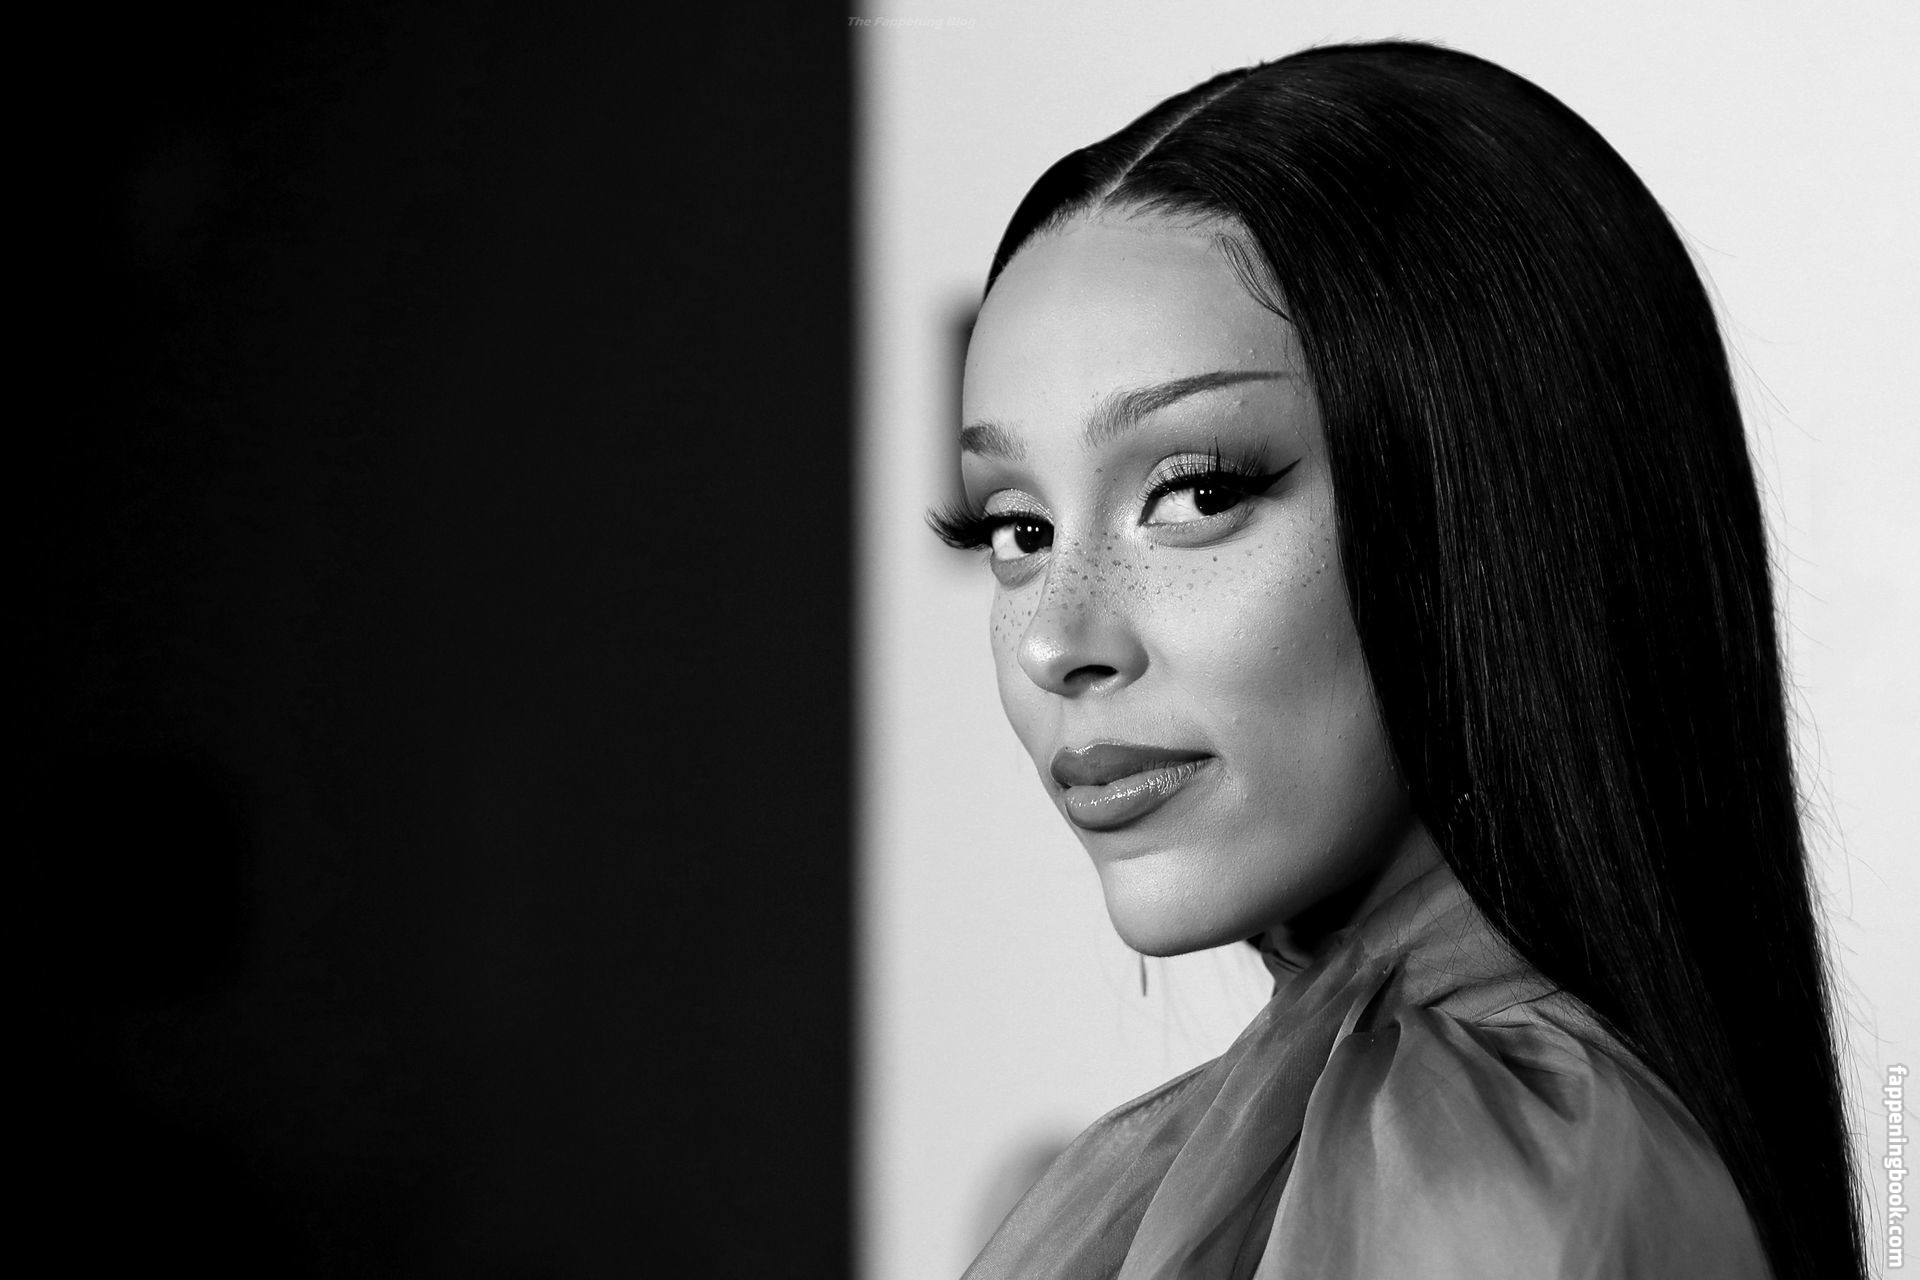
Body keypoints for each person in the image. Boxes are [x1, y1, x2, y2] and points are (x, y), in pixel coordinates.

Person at [930, 40, 1865, 1280]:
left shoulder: (1487, 1176)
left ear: (1489, 508)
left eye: (1197, 491)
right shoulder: (1231, 1156)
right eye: (1017, 528)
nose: (1057, 639)